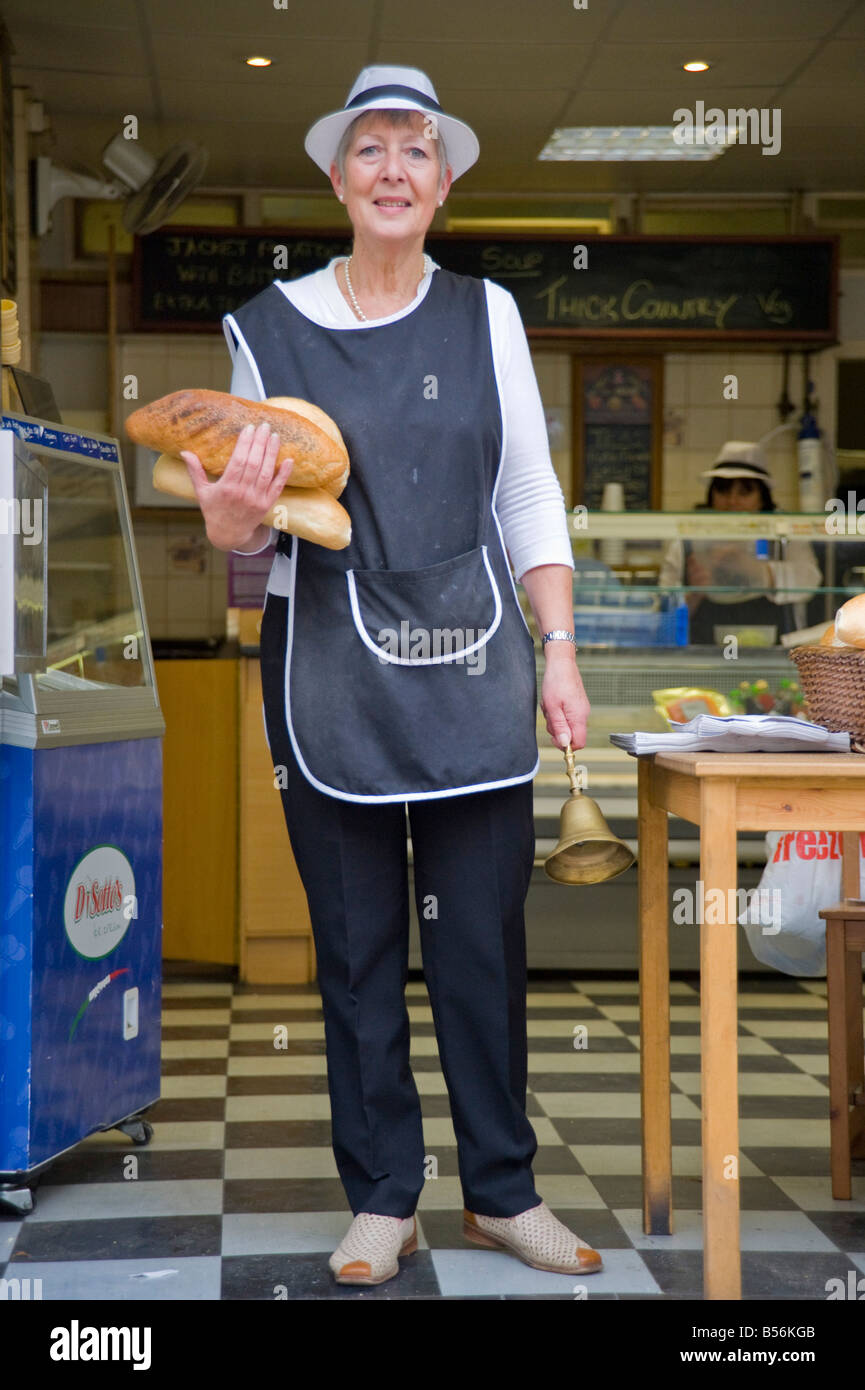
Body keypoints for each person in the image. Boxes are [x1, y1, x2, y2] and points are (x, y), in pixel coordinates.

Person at [179, 65, 601, 1287]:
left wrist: (559, 645)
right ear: (337, 178)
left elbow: (525, 489)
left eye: (416, 150)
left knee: (478, 939)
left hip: (473, 662)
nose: (394, 171)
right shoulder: (264, 326)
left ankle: (503, 1192)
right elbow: (255, 529)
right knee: (358, 946)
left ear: (446, 180)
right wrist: (232, 523)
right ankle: (381, 1195)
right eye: (371, 150)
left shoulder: (487, 314)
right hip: (329, 675)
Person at [658, 441, 821, 643]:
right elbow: (663, 619)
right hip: (702, 664)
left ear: (762, 499)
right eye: (724, 491)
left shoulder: (784, 536)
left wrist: (754, 570)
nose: (732, 501)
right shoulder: (688, 542)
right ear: (711, 496)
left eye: (745, 492)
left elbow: (810, 581)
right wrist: (695, 593)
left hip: (775, 663)